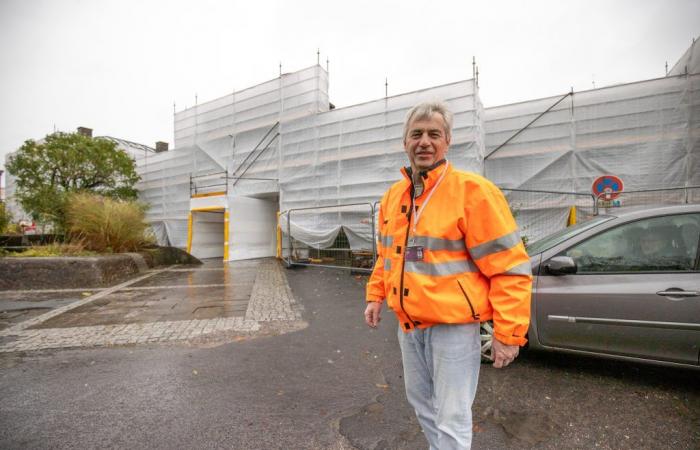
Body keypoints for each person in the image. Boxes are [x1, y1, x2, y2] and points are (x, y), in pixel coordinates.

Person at [364, 101, 532, 449]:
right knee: (422, 404)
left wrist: (508, 333)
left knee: (452, 414)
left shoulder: (473, 192)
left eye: (433, 134)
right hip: (409, 326)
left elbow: (509, 268)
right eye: (416, 134)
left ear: (447, 141)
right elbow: (387, 256)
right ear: (405, 142)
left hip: (454, 328)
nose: (424, 141)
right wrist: (375, 295)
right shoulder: (394, 197)